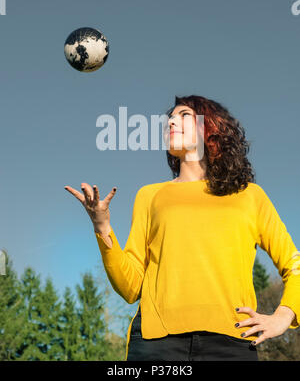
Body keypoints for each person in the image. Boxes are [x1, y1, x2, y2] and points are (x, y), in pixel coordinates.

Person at [64, 95, 300, 361]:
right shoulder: (149, 196)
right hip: (156, 345)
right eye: (170, 119)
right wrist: (101, 225)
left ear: (212, 129)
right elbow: (130, 287)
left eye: (185, 115)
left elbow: (295, 266)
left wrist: (284, 316)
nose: (171, 121)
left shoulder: (250, 196)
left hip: (232, 342)